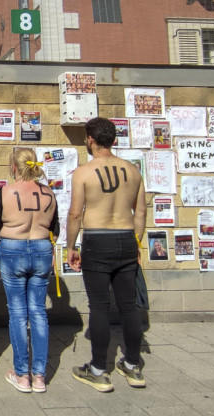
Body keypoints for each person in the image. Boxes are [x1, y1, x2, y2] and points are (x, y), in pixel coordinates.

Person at [66, 117, 147, 392]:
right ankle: (133, 366)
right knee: (128, 306)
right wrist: (136, 243)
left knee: (99, 306)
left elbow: (76, 213)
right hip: (126, 238)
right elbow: (141, 212)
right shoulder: (133, 171)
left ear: (90, 138)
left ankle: (99, 369)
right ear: (113, 139)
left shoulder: (84, 172)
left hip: (98, 239)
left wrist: (70, 246)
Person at [0, 148, 58, 394]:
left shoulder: (4, 192)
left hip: (12, 249)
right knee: (38, 312)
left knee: (17, 313)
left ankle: (21, 374)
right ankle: (39, 376)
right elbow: (54, 230)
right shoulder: (49, 193)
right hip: (41, 249)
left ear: (13, 167)